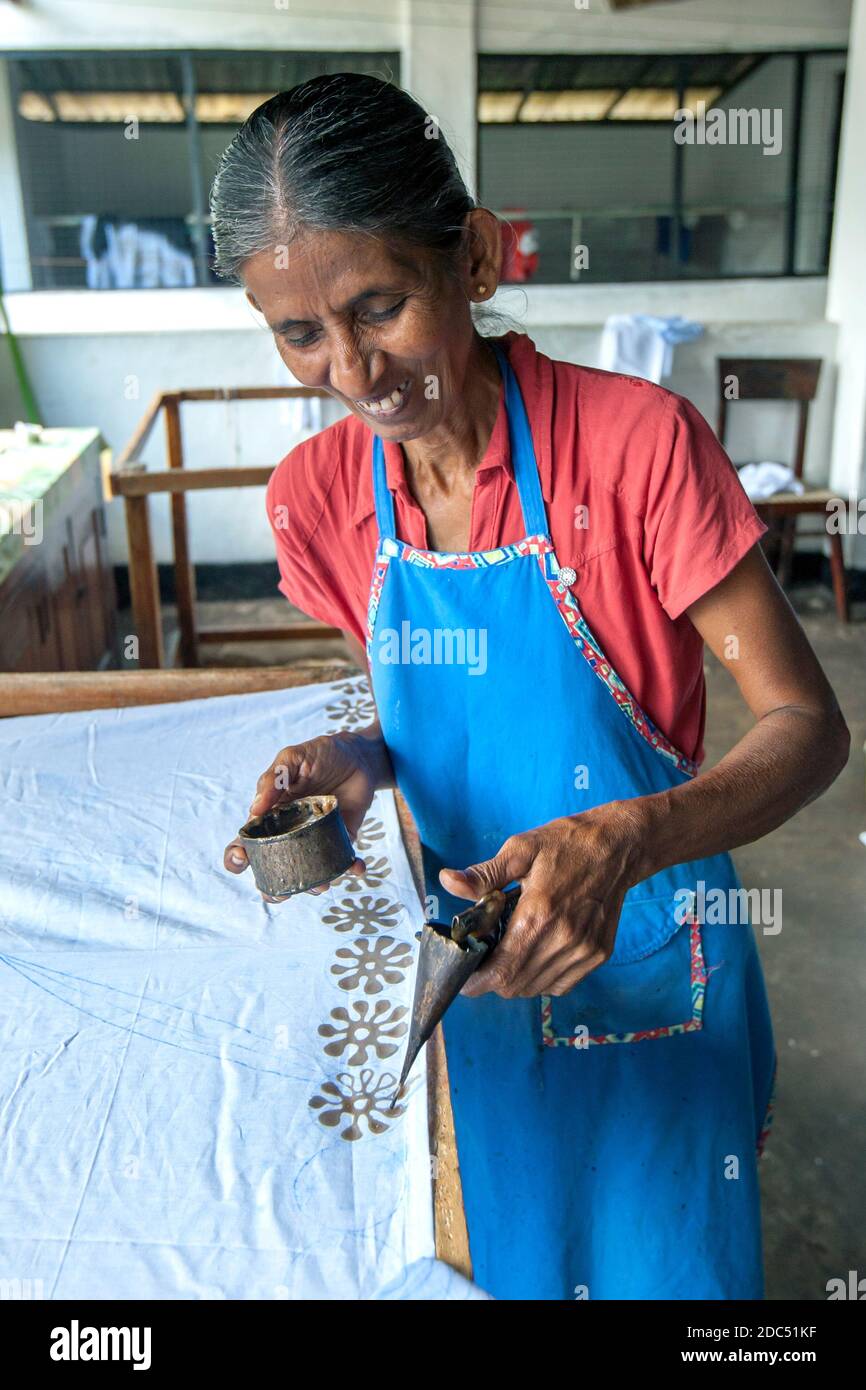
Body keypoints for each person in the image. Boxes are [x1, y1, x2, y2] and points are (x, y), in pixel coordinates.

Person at [212, 74, 849, 1300]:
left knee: (663, 1266)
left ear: (476, 256)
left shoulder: (635, 447)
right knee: (505, 1256)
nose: (352, 372)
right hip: (478, 984)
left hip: (654, 950)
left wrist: (623, 839)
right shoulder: (318, 500)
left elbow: (806, 729)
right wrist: (361, 762)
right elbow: (418, 709)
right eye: (300, 333)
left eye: (379, 305)